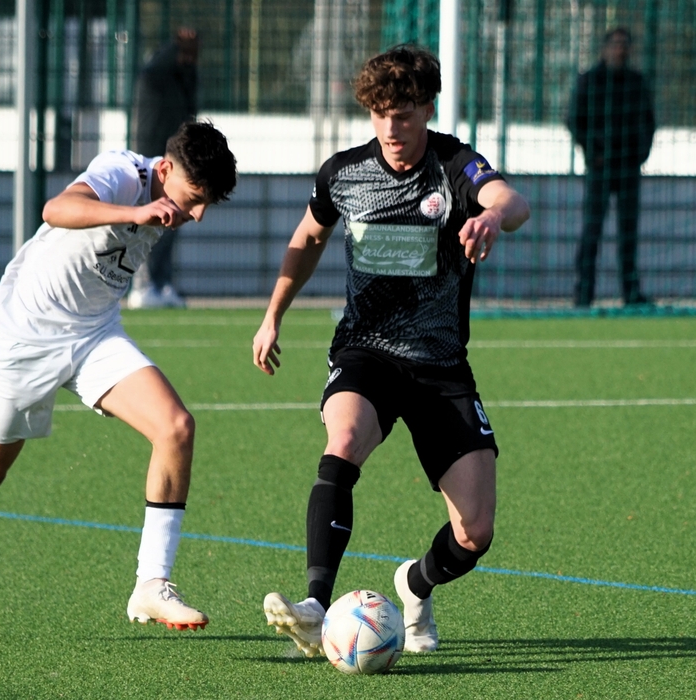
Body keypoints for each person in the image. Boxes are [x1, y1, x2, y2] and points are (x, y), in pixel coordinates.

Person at [252, 45, 530, 657]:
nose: (390, 129)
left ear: (427, 109)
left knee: (475, 532)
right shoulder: (343, 173)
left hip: (441, 365)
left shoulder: (455, 165)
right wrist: (273, 315)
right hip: (366, 351)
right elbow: (308, 237)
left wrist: (490, 217)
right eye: (379, 114)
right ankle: (315, 606)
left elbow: (513, 202)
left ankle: (414, 584)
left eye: (402, 115)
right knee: (345, 438)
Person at [0, 121, 237, 630]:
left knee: (176, 428)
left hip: (95, 334)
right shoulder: (122, 173)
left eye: (208, 203)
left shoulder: (170, 200)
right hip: (25, 335)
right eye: (195, 198)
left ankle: (151, 584)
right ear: (164, 170)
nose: (198, 214)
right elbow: (57, 209)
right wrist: (134, 212)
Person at [567, 27, 656, 307]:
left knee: (628, 233)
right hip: (600, 167)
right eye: (615, 44)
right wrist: (592, 151)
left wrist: (640, 154)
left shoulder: (636, 83)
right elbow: (574, 120)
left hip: (628, 167)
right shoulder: (590, 80)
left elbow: (649, 122)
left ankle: (631, 292)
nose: (620, 50)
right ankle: (584, 292)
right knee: (592, 231)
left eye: (624, 45)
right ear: (605, 49)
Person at [127, 27, 200, 309]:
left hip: (177, 162)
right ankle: (142, 284)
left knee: (172, 222)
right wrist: (175, 45)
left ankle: (161, 282)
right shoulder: (155, 77)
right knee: (148, 221)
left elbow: (191, 106)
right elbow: (156, 68)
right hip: (152, 159)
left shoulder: (183, 80)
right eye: (184, 51)